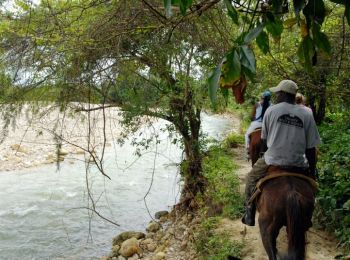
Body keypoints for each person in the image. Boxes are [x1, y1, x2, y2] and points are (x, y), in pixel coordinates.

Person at [242, 80, 321, 226]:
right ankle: (309, 218)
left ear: (284, 94)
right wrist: (312, 171)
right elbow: (311, 148)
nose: (276, 95)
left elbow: (264, 141)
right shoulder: (307, 113)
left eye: (278, 93)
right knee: (312, 188)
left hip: (273, 160)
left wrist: (265, 155)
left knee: (250, 180)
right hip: (298, 162)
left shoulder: (271, 110)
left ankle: (249, 212)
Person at [245, 91, 271, 155]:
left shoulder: (257, 104)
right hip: (267, 125)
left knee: (246, 135)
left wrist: (253, 119)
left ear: (262, 97)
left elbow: (252, 116)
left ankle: (248, 148)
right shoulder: (272, 106)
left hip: (256, 124)